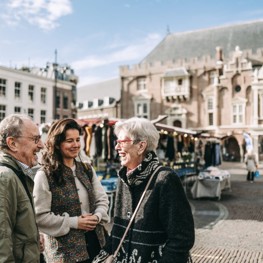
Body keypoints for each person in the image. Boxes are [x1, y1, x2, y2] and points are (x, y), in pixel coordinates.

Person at [93, 117, 195, 263]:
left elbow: (182, 239)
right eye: (117, 142)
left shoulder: (165, 179)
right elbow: (118, 230)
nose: (116, 148)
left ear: (141, 146)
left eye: (122, 142)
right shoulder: (124, 178)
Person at [33, 118, 110, 262]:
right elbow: (40, 216)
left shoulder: (87, 169)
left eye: (77, 140)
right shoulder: (45, 175)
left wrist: (97, 216)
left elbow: (102, 199)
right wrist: (74, 222)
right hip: (64, 254)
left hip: (96, 245)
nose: (76, 145)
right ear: (57, 144)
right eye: (69, 141)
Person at [0, 114, 44, 262]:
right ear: (12, 143)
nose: (41, 145)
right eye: (35, 139)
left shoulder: (16, 173)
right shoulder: (5, 177)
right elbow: (2, 238)